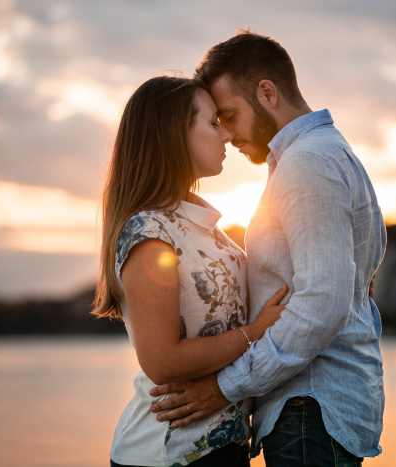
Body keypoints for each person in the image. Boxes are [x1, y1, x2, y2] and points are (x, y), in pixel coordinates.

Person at [148, 31, 386, 467]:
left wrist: (225, 387)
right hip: (314, 410)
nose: (228, 133)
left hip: (308, 408)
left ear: (267, 93)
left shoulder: (307, 162)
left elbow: (323, 304)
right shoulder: (329, 153)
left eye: (230, 115)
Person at [92, 75, 290, 467]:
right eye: (214, 122)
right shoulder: (149, 233)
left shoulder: (202, 225)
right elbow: (162, 361)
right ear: (174, 135)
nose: (227, 135)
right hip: (167, 453)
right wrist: (254, 333)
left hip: (223, 446)